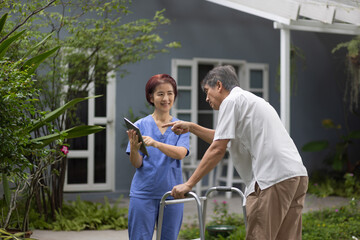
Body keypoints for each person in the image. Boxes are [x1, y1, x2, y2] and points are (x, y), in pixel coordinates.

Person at [164, 65, 308, 240]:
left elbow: (218, 147)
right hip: (296, 175)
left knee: (259, 236)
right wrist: (192, 127)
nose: (207, 98)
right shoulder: (251, 100)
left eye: (207, 91)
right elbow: (223, 137)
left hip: (272, 178)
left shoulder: (231, 101)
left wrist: (189, 184)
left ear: (219, 85)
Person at [126, 74, 190, 240]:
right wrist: (134, 149)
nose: (166, 98)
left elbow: (181, 153)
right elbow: (137, 163)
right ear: (151, 97)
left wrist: (156, 144)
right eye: (160, 94)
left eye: (170, 93)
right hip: (143, 193)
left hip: (172, 194)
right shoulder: (140, 125)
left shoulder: (180, 127)